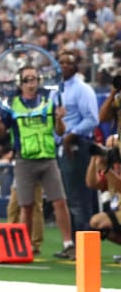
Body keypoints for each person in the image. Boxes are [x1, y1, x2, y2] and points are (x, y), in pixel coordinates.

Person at [0, 65, 75, 259]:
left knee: (60, 201)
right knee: (25, 206)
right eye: (27, 79)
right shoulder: (12, 106)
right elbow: (1, 135)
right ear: (20, 83)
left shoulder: (48, 103)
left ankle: (68, 244)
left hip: (48, 158)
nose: (32, 83)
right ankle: (23, 246)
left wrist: (60, 119)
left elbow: (60, 131)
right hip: (24, 160)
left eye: (34, 78)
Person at [57, 51, 99, 244]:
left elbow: (92, 119)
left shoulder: (83, 89)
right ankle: (74, 243)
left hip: (77, 145)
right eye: (61, 62)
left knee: (79, 198)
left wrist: (71, 135)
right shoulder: (55, 90)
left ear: (76, 67)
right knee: (68, 197)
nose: (64, 66)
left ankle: (85, 244)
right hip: (60, 145)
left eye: (69, 62)